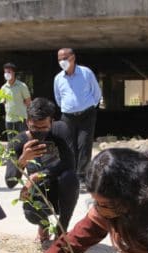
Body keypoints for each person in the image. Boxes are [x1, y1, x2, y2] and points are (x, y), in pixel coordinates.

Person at [4, 98, 78, 250]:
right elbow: (10, 182)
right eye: (34, 127)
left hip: (60, 188)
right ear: (27, 122)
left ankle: (61, 231)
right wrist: (22, 160)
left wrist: (37, 176)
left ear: (52, 122)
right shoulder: (18, 142)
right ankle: (43, 227)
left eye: (44, 127)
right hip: (39, 192)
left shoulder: (61, 131)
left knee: (70, 178)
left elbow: (70, 164)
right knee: (32, 211)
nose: (39, 132)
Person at [53, 48, 102, 189]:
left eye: (64, 58)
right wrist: (68, 108)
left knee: (84, 145)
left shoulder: (86, 73)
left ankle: (81, 177)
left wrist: (90, 105)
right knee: (69, 146)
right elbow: (58, 97)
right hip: (67, 116)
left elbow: (96, 92)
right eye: (59, 59)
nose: (62, 61)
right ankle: (71, 175)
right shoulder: (58, 78)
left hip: (87, 114)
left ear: (73, 57)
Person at [0, 62, 31, 141]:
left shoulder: (22, 86)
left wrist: (27, 116)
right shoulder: (3, 88)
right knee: (11, 141)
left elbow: (28, 102)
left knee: (23, 140)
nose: (7, 74)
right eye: (5, 72)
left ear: (14, 73)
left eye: (9, 72)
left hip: (21, 119)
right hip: (9, 119)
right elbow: (4, 102)